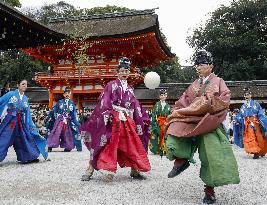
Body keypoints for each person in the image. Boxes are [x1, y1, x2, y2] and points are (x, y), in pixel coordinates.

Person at [165, 50, 240, 204]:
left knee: (211, 155)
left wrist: (203, 104)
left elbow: (224, 99)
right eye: (197, 65)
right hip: (191, 118)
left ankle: (209, 191)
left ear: (211, 66)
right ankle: (181, 160)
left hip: (209, 121)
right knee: (175, 126)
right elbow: (183, 102)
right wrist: (178, 111)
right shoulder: (194, 84)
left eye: (202, 64)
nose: (198, 67)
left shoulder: (218, 81)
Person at [80, 57, 151, 181]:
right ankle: (90, 170)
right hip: (113, 119)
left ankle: (134, 171)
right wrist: (108, 114)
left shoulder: (130, 89)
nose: (124, 73)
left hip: (126, 120)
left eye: (127, 71)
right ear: (117, 72)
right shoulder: (111, 85)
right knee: (106, 143)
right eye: (122, 70)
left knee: (132, 143)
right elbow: (104, 101)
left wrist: (144, 116)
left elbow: (136, 105)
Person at [0, 79, 48, 163]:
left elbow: (27, 112)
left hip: (20, 121)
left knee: (23, 138)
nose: (25, 86)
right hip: (10, 120)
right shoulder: (11, 94)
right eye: (23, 84)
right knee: (4, 138)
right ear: (18, 85)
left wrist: (29, 124)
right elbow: (1, 101)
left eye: (26, 84)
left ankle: (29, 157)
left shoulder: (25, 98)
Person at [233, 87, 267, 159]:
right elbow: (241, 115)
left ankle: (260, 151)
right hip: (248, 124)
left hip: (255, 122)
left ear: (250, 95)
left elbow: (260, 112)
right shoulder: (243, 106)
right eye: (245, 95)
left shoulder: (256, 104)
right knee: (251, 137)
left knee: (259, 137)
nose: (246, 96)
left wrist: (261, 119)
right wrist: (237, 119)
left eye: (248, 95)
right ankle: (255, 152)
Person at [46, 87, 82, 152]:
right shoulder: (60, 102)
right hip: (60, 120)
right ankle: (50, 146)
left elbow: (73, 114)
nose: (67, 94)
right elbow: (54, 111)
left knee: (68, 134)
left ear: (70, 94)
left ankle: (68, 147)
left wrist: (76, 123)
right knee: (56, 132)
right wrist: (50, 118)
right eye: (65, 93)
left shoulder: (72, 104)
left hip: (68, 121)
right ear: (63, 95)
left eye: (68, 93)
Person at [149, 89, 171, 156]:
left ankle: (164, 150)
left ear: (166, 96)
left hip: (165, 123)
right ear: (159, 96)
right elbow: (153, 114)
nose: (163, 96)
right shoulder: (157, 105)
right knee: (157, 135)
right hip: (158, 122)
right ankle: (157, 150)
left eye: (164, 95)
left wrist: (168, 123)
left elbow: (169, 115)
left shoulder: (168, 106)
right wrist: (154, 124)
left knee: (165, 136)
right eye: (161, 95)